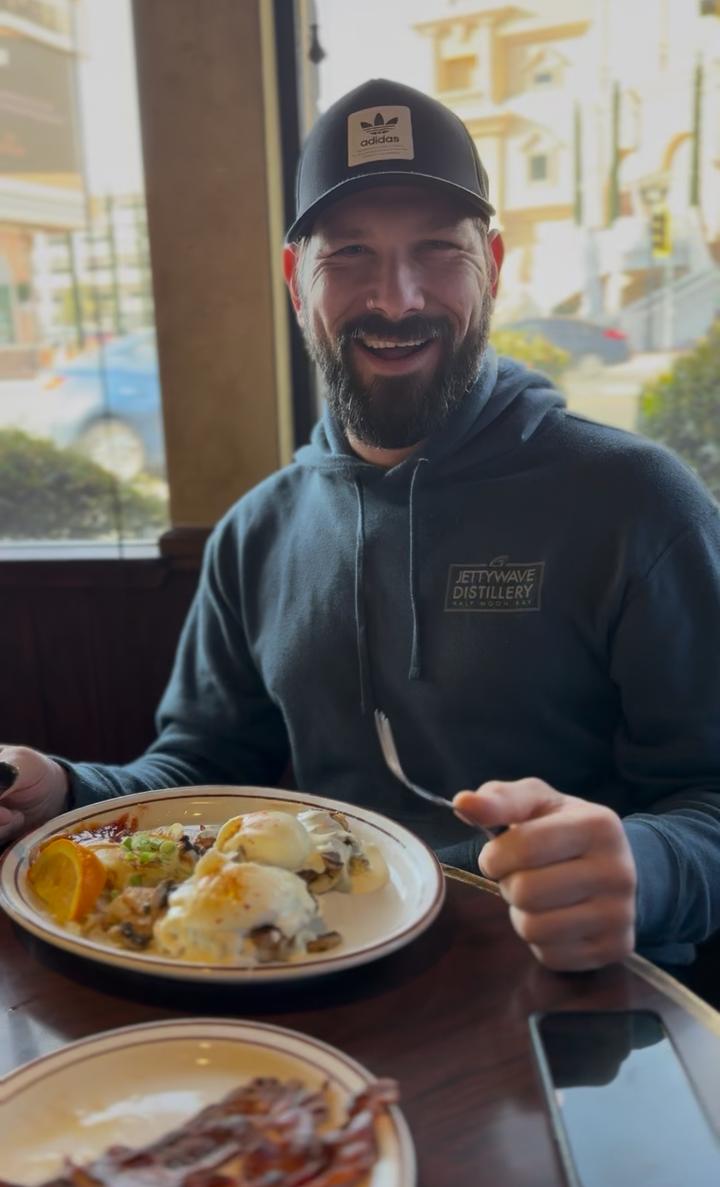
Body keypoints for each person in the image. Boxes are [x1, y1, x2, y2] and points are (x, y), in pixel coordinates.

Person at [2, 79, 720, 975]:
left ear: (492, 264)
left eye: (437, 251)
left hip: (569, 994)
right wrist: (67, 793)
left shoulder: (637, 503)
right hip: (313, 983)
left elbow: (711, 798)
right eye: (349, 255)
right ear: (295, 278)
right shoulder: (254, 534)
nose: (396, 297)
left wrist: (648, 867)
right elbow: (199, 772)